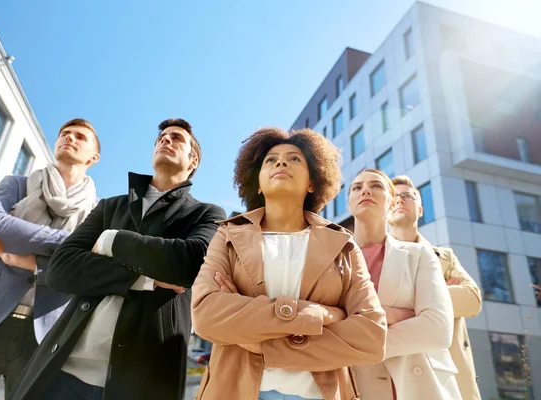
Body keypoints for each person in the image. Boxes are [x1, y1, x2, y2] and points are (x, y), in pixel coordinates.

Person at [8, 118, 226, 400]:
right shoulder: (111, 206)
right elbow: (61, 269)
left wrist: (113, 240)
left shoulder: (208, 214)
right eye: (161, 137)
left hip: (142, 378)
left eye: (177, 138)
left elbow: (191, 263)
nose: (165, 140)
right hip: (60, 369)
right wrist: (143, 278)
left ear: (192, 161)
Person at [192, 128, 387, 400]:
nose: (281, 163)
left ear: (312, 181)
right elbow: (206, 314)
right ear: (258, 181)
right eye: (270, 160)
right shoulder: (227, 235)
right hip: (234, 389)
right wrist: (321, 315)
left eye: (294, 159)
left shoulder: (343, 244)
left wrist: (261, 343)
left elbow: (372, 337)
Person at [0, 118, 101, 399]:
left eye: (79, 136)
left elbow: (88, 267)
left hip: (42, 334)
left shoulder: (98, 213)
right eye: (64, 133)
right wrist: (69, 244)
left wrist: (31, 260)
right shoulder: (17, 184)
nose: (69, 138)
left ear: (93, 157)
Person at [348, 169, 461, 400]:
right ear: (349, 202)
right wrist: (396, 315)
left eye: (376, 186)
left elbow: (437, 329)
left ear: (392, 203)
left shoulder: (419, 254)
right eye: (357, 187)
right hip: (355, 386)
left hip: (418, 386)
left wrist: (351, 338)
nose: (365, 190)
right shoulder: (332, 259)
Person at [388, 175, 482, 400]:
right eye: (393, 197)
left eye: (407, 196)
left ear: (420, 209)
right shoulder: (370, 257)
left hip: (451, 378)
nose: (399, 200)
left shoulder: (445, 257)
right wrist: (437, 292)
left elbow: (472, 299)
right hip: (397, 376)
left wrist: (399, 304)